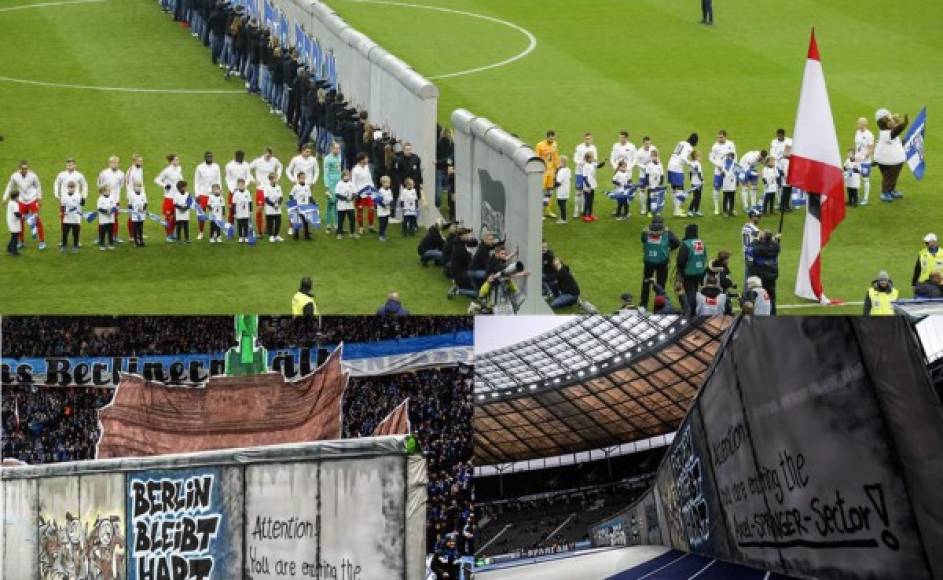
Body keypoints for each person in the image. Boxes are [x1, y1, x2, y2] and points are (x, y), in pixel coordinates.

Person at [639, 215, 680, 309]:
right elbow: (677, 242)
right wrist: (669, 248)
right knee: (661, 284)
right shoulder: (667, 232)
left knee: (646, 282)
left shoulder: (645, 231)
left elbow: (643, 240)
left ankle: (643, 304)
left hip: (649, 261)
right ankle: (659, 305)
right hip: (662, 262)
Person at [4, 160, 45, 250]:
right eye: (23, 168)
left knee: (37, 220)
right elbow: (9, 186)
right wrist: (4, 198)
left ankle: (42, 241)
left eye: (26, 168)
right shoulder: (14, 176)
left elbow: (38, 186)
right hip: (21, 201)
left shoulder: (33, 175)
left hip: (33, 200)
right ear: (19, 169)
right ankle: (21, 241)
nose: (25, 170)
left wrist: (39, 197)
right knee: (20, 221)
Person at [873, 108, 908, 201]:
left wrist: (903, 142)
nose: (893, 120)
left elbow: (895, 140)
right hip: (889, 162)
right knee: (888, 177)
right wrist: (903, 124)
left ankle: (891, 190)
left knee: (893, 177)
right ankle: (884, 193)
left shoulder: (888, 132)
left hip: (894, 161)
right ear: (884, 122)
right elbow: (896, 131)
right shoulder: (885, 133)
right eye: (890, 118)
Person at [675, 223, 707, 316]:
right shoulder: (701, 242)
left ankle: (691, 312)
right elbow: (704, 257)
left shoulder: (686, 244)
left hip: (689, 272)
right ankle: (695, 308)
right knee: (695, 290)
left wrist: (680, 273)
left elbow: (681, 260)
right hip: (700, 272)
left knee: (690, 292)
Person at [250, 147, 283, 234]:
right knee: (259, 209)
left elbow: (280, 166)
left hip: (271, 189)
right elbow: (248, 169)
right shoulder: (257, 161)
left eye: (270, 156)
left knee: (270, 208)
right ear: (264, 153)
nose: (268, 157)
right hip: (261, 189)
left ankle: (268, 228)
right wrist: (253, 180)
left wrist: (278, 176)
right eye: (267, 155)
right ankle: (259, 231)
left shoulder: (274, 160)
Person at [750, 230, 781, 314]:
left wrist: (756, 239)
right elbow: (772, 244)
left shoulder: (759, 248)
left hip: (761, 276)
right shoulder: (776, 246)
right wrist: (774, 239)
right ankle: (773, 314)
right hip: (772, 275)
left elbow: (751, 250)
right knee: (772, 297)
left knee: (760, 296)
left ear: (763, 238)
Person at [54, 158, 88, 232]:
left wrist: (84, 196)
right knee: (63, 219)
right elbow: (56, 184)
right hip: (64, 201)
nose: (70, 166)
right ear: (66, 166)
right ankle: (63, 239)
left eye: (71, 165)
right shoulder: (61, 175)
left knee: (77, 219)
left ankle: (77, 240)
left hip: (76, 201)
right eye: (68, 165)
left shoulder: (79, 175)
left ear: (75, 165)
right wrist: (56, 194)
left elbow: (84, 185)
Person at [155, 154, 184, 241]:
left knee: (176, 217)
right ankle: (168, 235)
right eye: (176, 160)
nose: (178, 161)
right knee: (168, 217)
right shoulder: (166, 171)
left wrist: (183, 186)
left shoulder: (179, 168)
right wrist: (164, 185)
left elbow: (180, 178)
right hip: (169, 197)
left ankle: (173, 233)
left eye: (178, 160)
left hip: (177, 197)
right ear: (171, 161)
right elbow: (157, 180)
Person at [194, 151, 222, 240]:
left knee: (214, 214)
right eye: (208, 157)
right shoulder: (200, 167)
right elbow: (196, 181)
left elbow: (218, 179)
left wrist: (219, 191)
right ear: (205, 157)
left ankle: (214, 232)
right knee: (201, 214)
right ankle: (201, 232)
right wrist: (197, 194)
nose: (210, 158)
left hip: (213, 194)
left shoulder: (216, 166)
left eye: (211, 156)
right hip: (202, 194)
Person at [668, 133, 697, 217]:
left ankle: (676, 208)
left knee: (674, 188)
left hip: (670, 165)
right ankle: (676, 211)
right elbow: (683, 157)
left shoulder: (681, 142)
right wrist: (690, 164)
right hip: (677, 168)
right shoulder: (689, 147)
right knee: (680, 189)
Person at [98, 156, 125, 244]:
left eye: (116, 162)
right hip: (104, 199)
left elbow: (121, 185)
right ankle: (100, 238)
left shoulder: (121, 174)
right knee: (102, 218)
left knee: (115, 219)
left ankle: (114, 236)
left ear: (118, 163)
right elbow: (99, 184)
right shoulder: (104, 173)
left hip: (115, 200)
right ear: (109, 163)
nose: (114, 164)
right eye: (112, 162)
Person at [708, 130, 736, 215]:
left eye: (721, 137)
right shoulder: (715, 146)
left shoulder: (731, 144)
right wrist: (718, 165)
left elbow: (735, 155)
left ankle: (729, 209)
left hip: (729, 172)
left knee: (728, 190)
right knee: (716, 188)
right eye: (718, 137)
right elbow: (710, 157)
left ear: (725, 137)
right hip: (718, 171)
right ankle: (716, 208)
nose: (719, 139)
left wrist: (733, 167)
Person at [535, 130, 560, 219]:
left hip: (551, 172)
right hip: (543, 172)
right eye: (550, 137)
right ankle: (539, 212)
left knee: (549, 192)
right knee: (541, 191)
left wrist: (558, 167)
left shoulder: (554, 144)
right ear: (546, 137)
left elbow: (555, 156)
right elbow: (537, 158)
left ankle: (548, 211)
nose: (552, 139)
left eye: (553, 137)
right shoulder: (540, 145)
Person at [573, 132, 597, 219]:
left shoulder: (594, 148)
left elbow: (595, 159)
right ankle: (576, 212)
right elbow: (575, 158)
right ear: (584, 139)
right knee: (578, 192)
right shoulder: (579, 147)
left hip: (589, 174)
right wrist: (582, 164)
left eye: (589, 138)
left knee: (586, 192)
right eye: (586, 138)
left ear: (592, 139)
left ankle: (584, 210)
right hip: (579, 172)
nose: (588, 140)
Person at [225, 150, 253, 225]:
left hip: (243, 191)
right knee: (231, 209)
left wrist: (243, 187)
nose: (241, 159)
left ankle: (244, 226)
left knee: (244, 209)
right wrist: (232, 189)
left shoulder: (246, 165)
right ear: (236, 156)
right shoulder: (229, 165)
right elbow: (228, 178)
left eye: (242, 157)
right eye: (240, 157)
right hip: (233, 191)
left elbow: (248, 177)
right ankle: (230, 227)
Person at [352, 153, 375, 235]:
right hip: (360, 193)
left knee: (371, 208)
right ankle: (361, 227)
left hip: (368, 192)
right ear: (361, 160)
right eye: (366, 158)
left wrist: (373, 188)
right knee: (360, 210)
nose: (367, 160)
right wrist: (355, 193)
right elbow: (353, 183)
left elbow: (370, 179)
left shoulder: (367, 167)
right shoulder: (355, 170)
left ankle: (371, 226)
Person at [853, 118, 875, 206]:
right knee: (856, 178)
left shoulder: (869, 135)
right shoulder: (857, 132)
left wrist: (863, 157)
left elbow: (871, 149)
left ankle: (865, 199)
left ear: (864, 124)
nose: (857, 124)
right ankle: (857, 196)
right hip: (857, 160)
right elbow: (856, 146)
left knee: (865, 179)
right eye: (857, 123)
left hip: (865, 162)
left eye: (859, 123)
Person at [322, 142, 342, 233]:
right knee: (330, 204)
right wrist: (327, 186)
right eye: (336, 148)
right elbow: (326, 173)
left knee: (338, 204)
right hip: (331, 184)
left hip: (339, 184)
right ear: (332, 149)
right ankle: (328, 225)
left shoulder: (339, 157)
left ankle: (337, 224)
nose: (338, 150)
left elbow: (339, 170)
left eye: (339, 148)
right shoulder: (327, 159)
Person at [124, 154, 145, 239]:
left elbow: (141, 184)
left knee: (140, 215)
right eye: (139, 161)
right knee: (132, 216)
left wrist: (143, 198)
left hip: (139, 196)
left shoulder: (140, 169)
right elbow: (128, 185)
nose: (141, 162)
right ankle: (131, 235)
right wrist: (130, 200)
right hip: (132, 197)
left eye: (141, 160)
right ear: (134, 161)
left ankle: (139, 234)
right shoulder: (130, 171)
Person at [59, 181, 84, 253]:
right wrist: (61, 212)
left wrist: (83, 196)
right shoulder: (64, 196)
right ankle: (64, 246)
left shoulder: (78, 196)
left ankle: (75, 246)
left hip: (76, 219)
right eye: (70, 187)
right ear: (67, 187)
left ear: (75, 188)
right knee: (65, 233)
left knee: (76, 233)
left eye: (72, 187)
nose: (71, 189)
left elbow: (82, 203)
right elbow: (62, 206)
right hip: (67, 218)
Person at [635, 137, 658, 215]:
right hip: (643, 175)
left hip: (652, 175)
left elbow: (657, 158)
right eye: (646, 143)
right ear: (643, 143)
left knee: (651, 191)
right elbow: (637, 163)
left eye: (649, 143)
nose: (648, 145)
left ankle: (652, 207)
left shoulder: (653, 148)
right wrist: (645, 167)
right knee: (642, 191)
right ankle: (643, 208)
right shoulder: (639, 152)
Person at [289, 170, 313, 241]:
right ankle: (296, 235)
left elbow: (310, 196)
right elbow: (290, 195)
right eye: (301, 178)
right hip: (297, 207)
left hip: (305, 207)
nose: (303, 179)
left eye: (304, 178)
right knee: (296, 221)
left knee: (305, 221)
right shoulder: (295, 187)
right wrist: (294, 203)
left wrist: (314, 202)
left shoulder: (307, 187)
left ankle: (306, 235)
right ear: (298, 179)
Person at [579, 151, 603, 222]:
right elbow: (584, 177)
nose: (593, 158)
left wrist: (603, 162)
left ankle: (590, 214)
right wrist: (588, 186)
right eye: (592, 157)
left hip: (592, 185)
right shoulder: (585, 166)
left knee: (591, 200)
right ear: (588, 158)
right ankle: (585, 215)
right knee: (588, 201)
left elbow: (598, 166)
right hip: (587, 186)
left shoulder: (592, 164)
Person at [334, 169, 357, 240]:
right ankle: (339, 234)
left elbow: (355, 193)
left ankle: (352, 233)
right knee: (341, 220)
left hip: (350, 206)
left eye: (348, 175)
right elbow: (337, 194)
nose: (347, 177)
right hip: (341, 206)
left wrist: (352, 198)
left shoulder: (351, 184)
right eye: (345, 176)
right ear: (342, 176)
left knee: (352, 219)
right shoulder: (339, 184)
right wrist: (345, 198)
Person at [262, 172, 284, 242]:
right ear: (270, 179)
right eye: (273, 178)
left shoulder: (279, 187)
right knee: (270, 223)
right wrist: (273, 205)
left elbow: (281, 197)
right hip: (269, 209)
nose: (275, 180)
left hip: (277, 208)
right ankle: (271, 236)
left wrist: (278, 204)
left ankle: (276, 235)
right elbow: (266, 199)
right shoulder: (266, 188)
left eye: (275, 178)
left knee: (278, 222)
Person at [741, 208, 761, 284]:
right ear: (753, 217)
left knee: (748, 276)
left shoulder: (745, 226)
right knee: (752, 278)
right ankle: (749, 294)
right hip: (752, 255)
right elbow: (763, 237)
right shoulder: (754, 229)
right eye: (758, 217)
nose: (759, 219)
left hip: (746, 253)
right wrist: (775, 238)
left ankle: (746, 293)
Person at [96, 185, 117, 250]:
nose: (107, 192)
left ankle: (111, 244)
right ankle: (102, 244)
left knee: (110, 232)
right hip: (103, 220)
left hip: (111, 219)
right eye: (106, 191)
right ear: (102, 192)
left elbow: (114, 207)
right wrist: (106, 212)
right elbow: (99, 208)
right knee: (103, 232)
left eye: (108, 190)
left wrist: (111, 212)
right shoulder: (100, 199)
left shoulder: (112, 197)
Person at [644, 149, 665, 215]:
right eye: (652, 156)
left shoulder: (660, 164)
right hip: (651, 184)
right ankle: (649, 211)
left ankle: (656, 210)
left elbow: (662, 175)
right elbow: (647, 175)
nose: (654, 157)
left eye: (655, 156)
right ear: (651, 157)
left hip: (657, 184)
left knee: (657, 197)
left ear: (657, 156)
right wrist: (647, 184)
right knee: (650, 197)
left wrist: (661, 184)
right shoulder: (649, 165)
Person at [127, 180, 148, 247]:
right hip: (135, 215)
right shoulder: (131, 195)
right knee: (135, 228)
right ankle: (135, 241)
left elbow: (145, 203)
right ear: (134, 187)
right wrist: (130, 212)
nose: (138, 187)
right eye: (136, 186)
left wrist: (143, 209)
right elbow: (129, 204)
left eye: (139, 186)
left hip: (141, 214)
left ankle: (141, 240)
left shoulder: (143, 194)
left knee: (140, 227)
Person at [232, 178, 252, 242]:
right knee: (240, 225)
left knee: (246, 224)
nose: (241, 186)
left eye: (242, 185)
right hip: (239, 213)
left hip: (246, 212)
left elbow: (250, 202)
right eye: (239, 185)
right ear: (237, 186)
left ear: (245, 185)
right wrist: (235, 213)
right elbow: (234, 204)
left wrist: (251, 211)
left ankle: (246, 236)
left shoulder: (247, 192)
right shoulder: (236, 194)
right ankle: (240, 237)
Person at [375, 175, 394, 242]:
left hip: (387, 210)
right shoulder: (380, 191)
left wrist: (391, 204)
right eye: (386, 183)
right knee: (382, 223)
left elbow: (391, 199)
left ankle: (384, 233)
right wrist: (384, 206)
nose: (388, 184)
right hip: (382, 211)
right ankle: (380, 235)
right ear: (382, 183)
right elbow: (378, 200)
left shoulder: (389, 190)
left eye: (389, 183)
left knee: (386, 223)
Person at [554, 155, 571, 224]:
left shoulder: (561, 171)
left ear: (562, 162)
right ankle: (563, 218)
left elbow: (558, 182)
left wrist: (552, 186)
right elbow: (569, 178)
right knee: (563, 204)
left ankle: (563, 219)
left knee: (561, 205)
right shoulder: (568, 169)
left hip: (561, 191)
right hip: (566, 190)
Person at [686, 150, 704, 217]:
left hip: (693, 182)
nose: (700, 158)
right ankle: (691, 210)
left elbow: (690, 173)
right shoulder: (697, 164)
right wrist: (702, 180)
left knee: (696, 197)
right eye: (699, 156)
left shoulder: (691, 163)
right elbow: (699, 173)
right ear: (696, 157)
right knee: (697, 197)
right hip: (698, 183)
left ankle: (696, 210)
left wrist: (692, 181)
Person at [6, 189, 21, 256]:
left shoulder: (10, 202)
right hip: (14, 223)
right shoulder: (15, 204)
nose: (19, 198)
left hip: (10, 221)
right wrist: (22, 216)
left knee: (13, 236)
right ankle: (14, 251)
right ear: (15, 197)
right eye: (18, 196)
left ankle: (9, 248)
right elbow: (17, 214)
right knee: (15, 237)